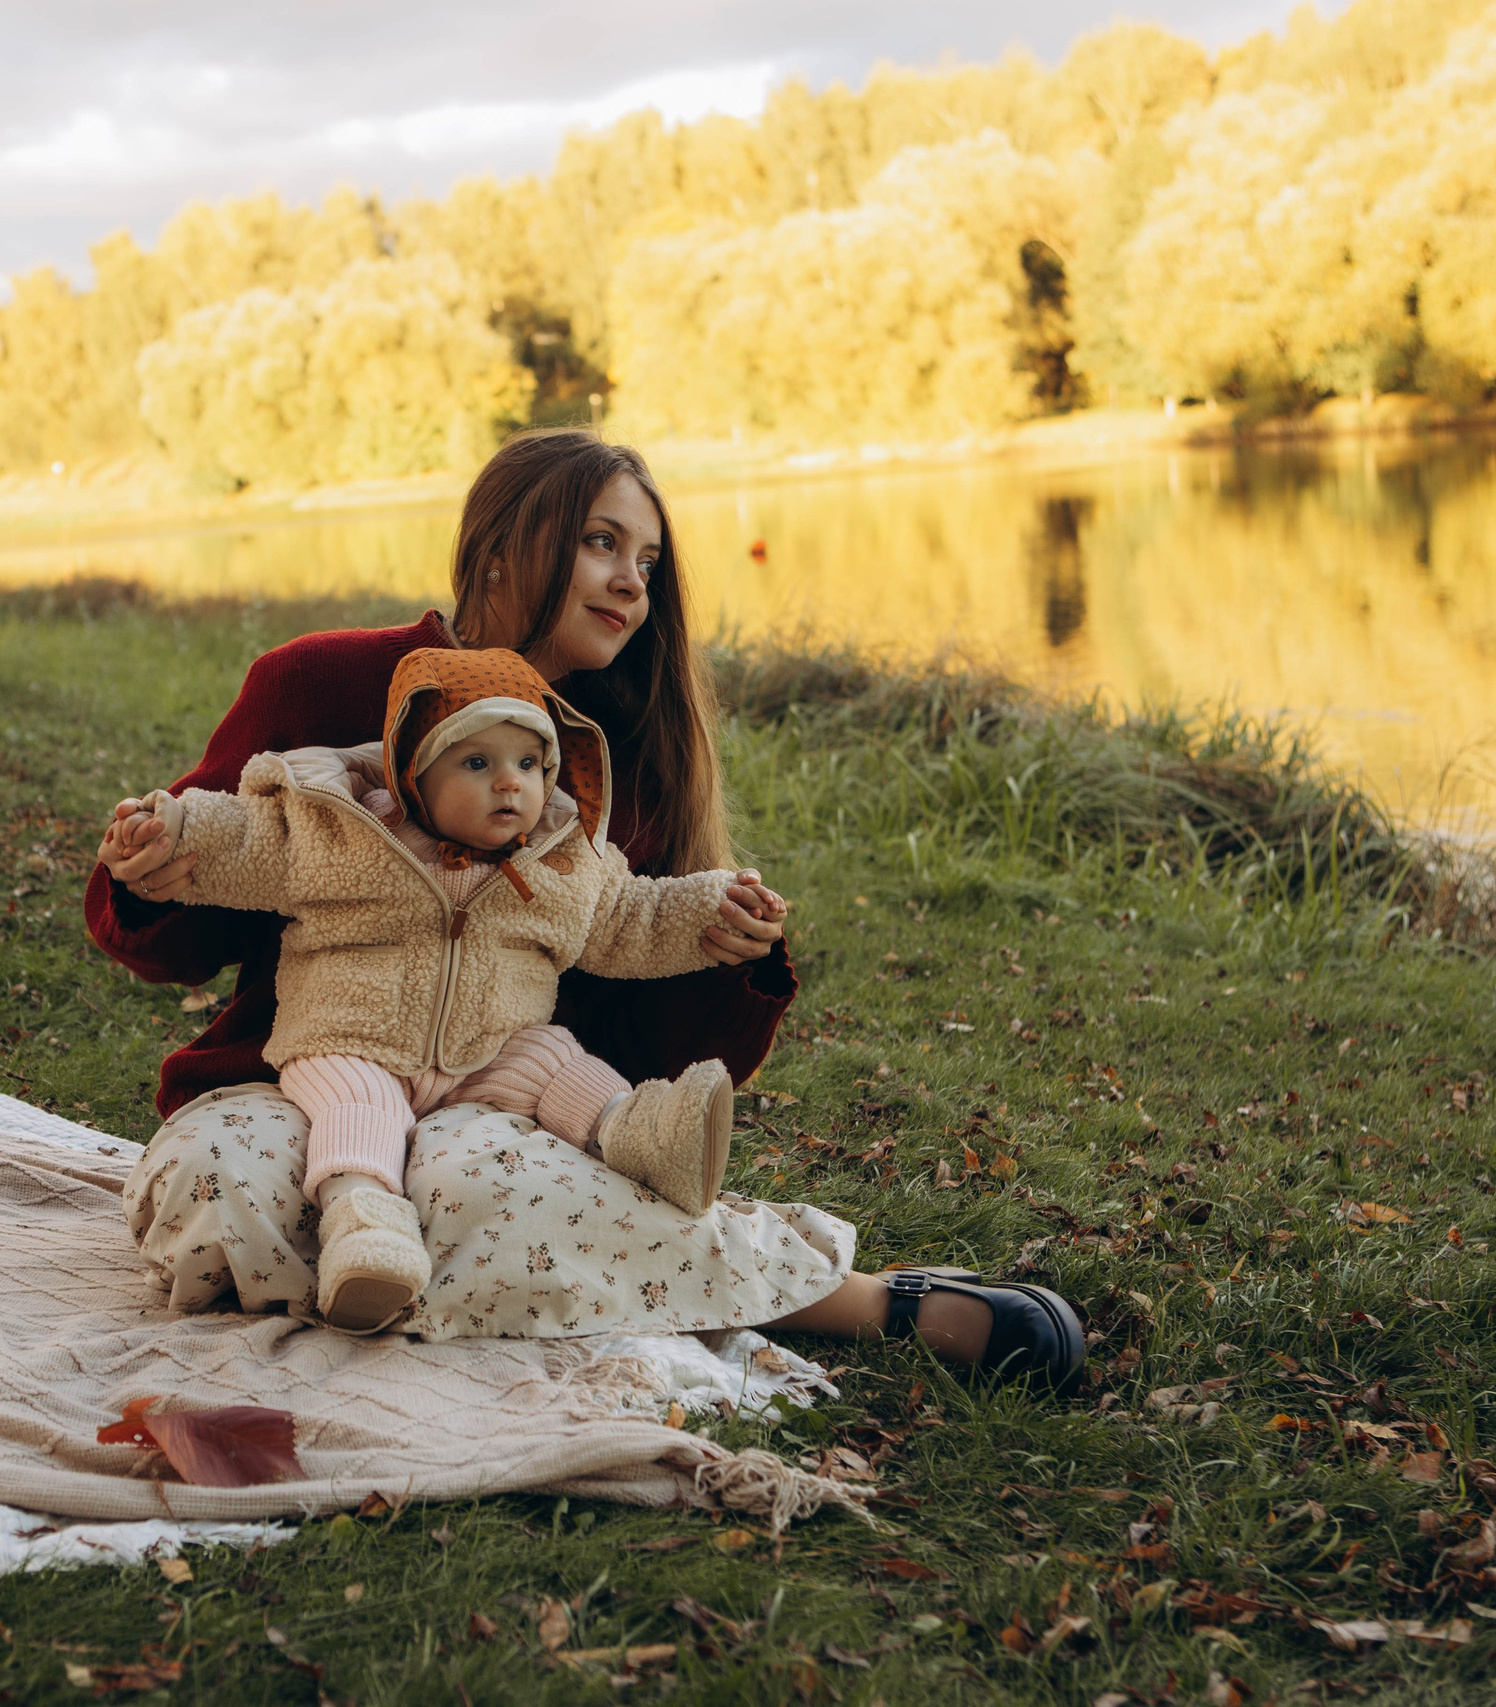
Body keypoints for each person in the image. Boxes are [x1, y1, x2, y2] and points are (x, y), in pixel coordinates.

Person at [89, 429, 1081, 1386]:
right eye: (601, 542)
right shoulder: (321, 682)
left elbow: (636, 1000)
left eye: (646, 560)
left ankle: (844, 1300)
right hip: (297, 1081)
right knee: (220, 1186)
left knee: (476, 1185)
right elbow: (194, 898)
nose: (630, 582)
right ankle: (449, 1272)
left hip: (490, 1106)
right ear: (501, 547)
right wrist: (153, 862)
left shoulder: (613, 756)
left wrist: (725, 948)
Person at [104, 643, 762, 1332]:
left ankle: (647, 1132)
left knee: (558, 1061)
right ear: (413, 770)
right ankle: (365, 1229)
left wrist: (714, 907)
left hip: (490, 1048)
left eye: (530, 764)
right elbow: (244, 841)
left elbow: (631, 917)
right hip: (351, 1038)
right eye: (477, 762)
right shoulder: (341, 829)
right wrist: (171, 829)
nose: (510, 784)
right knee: (359, 1109)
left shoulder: (562, 857)